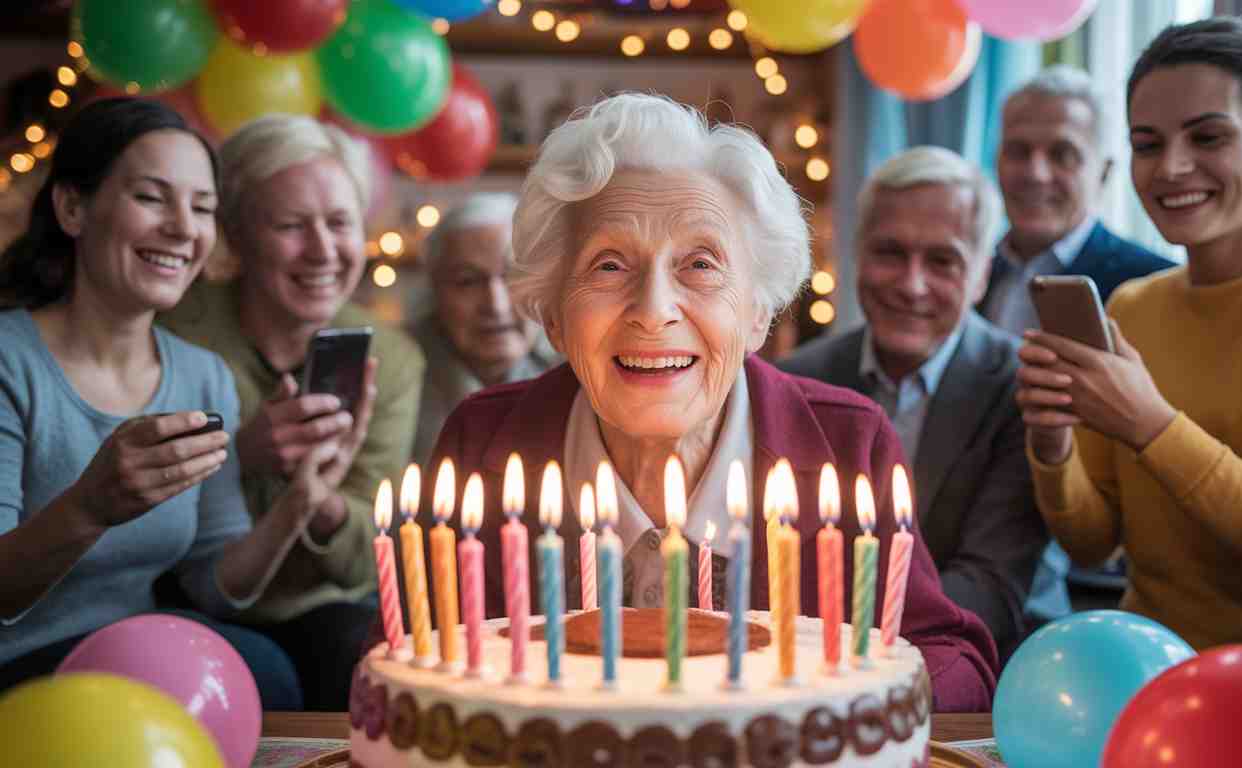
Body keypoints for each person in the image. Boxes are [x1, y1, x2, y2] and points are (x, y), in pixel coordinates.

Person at [408, 94, 997, 711]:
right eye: (608, 266)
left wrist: (845, 714)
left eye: (699, 264)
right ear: (553, 317)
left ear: (758, 314)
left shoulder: (847, 444)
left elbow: (950, 660)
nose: (655, 309)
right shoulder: (484, 440)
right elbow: (410, 660)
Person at [0, 98, 337, 707]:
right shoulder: (9, 360)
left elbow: (212, 583)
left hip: (136, 652)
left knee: (272, 671)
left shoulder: (204, 376)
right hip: (20, 668)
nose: (184, 228)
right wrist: (90, 507)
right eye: (153, 198)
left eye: (202, 207)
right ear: (73, 207)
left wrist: (298, 504)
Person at [1017, 16, 1242, 651]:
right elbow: (1093, 539)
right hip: (1144, 665)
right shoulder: (1132, 307)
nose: (1173, 167)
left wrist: (1150, 424)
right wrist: (1052, 446)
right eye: (1147, 143)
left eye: (1208, 136)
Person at [159, 114, 425, 710]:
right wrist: (242, 456)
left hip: (317, 603)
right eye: (290, 226)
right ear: (235, 232)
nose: (324, 251)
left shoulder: (392, 356)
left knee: (372, 663)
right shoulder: (174, 329)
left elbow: (365, 558)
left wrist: (321, 499)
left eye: (339, 223)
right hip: (181, 594)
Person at [780, 147, 1046, 660]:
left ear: (981, 275)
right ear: (857, 255)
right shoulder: (796, 380)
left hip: (986, 670)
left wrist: (852, 636)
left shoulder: (1020, 388)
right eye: (890, 253)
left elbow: (991, 588)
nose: (912, 283)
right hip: (819, 663)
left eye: (942, 260)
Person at [983, 65, 1177, 622]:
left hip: (1098, 575)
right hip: (989, 551)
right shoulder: (965, 275)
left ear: (1105, 170)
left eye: (1062, 154)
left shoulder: (1151, 287)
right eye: (1017, 151)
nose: (1034, 172)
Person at [411, 193, 557, 459]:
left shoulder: (578, 369)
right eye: (467, 281)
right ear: (435, 290)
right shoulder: (398, 376)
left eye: (513, 276)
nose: (495, 305)